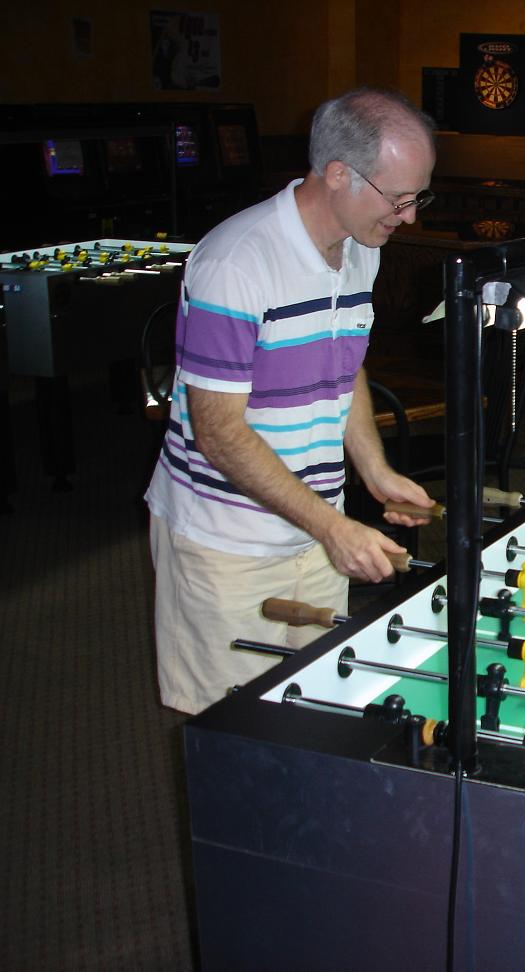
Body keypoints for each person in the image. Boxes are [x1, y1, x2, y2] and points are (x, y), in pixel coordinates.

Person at [146, 87, 438, 715]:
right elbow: (219, 433)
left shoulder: (361, 249)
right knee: (234, 734)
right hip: (229, 545)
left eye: (419, 196)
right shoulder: (237, 262)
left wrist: (374, 470)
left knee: (315, 718)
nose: (410, 217)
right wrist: (333, 527)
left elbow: (343, 366)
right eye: (399, 198)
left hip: (314, 527)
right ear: (338, 174)